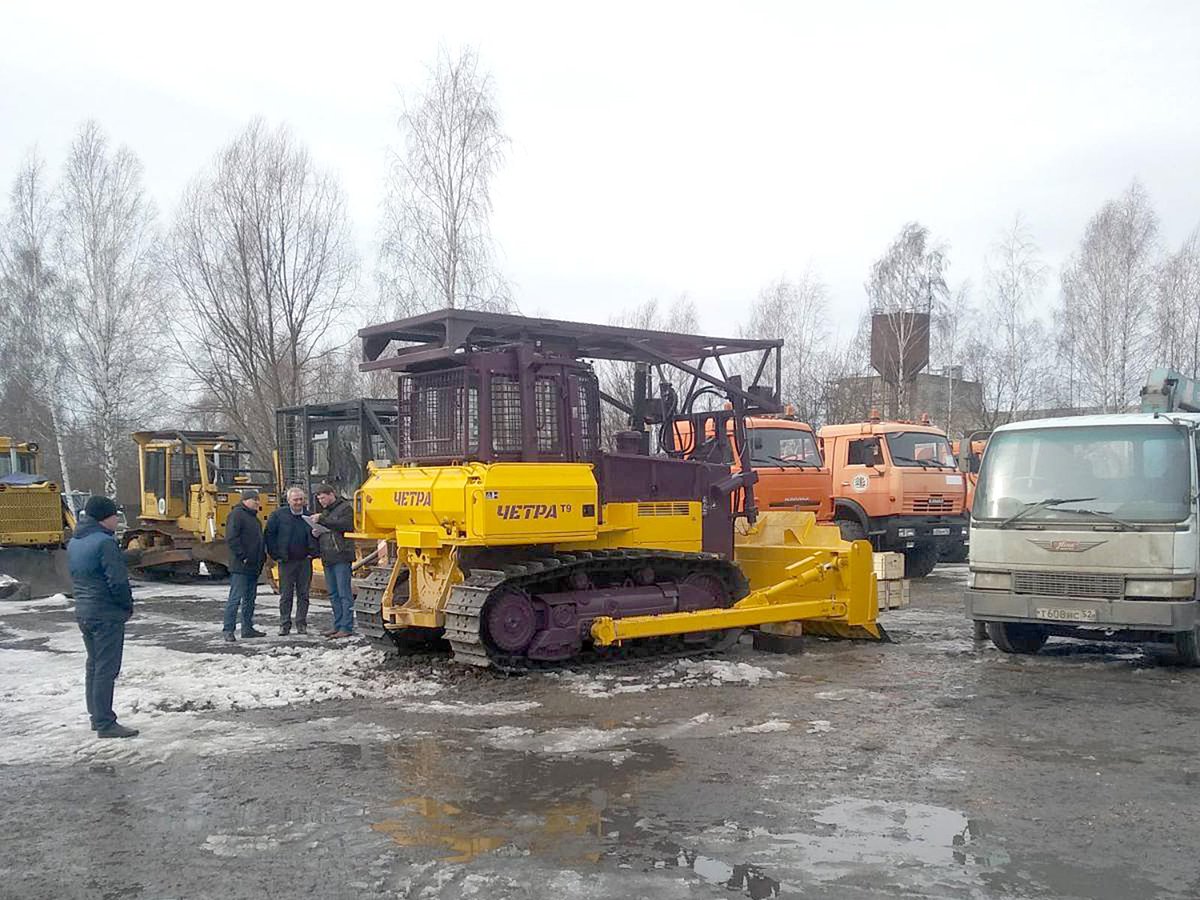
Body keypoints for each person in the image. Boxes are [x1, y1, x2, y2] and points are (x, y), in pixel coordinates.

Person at [68, 495, 137, 739]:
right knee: (107, 668)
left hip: (84, 610)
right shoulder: (105, 543)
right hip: (106, 612)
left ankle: (96, 717)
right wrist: (126, 606)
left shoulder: (75, 542)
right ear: (104, 518)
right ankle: (106, 722)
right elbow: (117, 581)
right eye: (114, 516)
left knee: (94, 665)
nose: (117, 520)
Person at [265, 486, 317, 636]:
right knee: (286, 595)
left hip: (305, 561)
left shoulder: (310, 517)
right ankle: (284, 624)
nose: (298, 502)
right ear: (288, 501)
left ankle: (301, 624)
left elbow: (317, 535)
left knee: (304, 595)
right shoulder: (278, 516)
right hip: (286, 562)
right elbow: (269, 535)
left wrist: (313, 553)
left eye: (301, 499)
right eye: (295, 499)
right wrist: (276, 555)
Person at [311, 482, 355, 639]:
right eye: (319, 499)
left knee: (344, 593)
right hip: (328, 556)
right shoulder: (326, 511)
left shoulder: (345, 508)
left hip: (341, 555)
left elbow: (346, 525)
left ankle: (346, 626)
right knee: (333, 593)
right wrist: (317, 532)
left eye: (323, 498)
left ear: (331, 494)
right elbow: (330, 528)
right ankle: (337, 625)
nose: (321, 501)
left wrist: (322, 520)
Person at [224, 488, 267, 641]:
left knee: (250, 599)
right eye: (254, 499)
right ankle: (228, 630)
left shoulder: (255, 519)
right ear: (245, 500)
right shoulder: (236, 515)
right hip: (241, 566)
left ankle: (247, 628)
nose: (257, 502)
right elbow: (232, 538)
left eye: (257, 499)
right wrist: (242, 556)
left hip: (254, 565)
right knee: (235, 598)